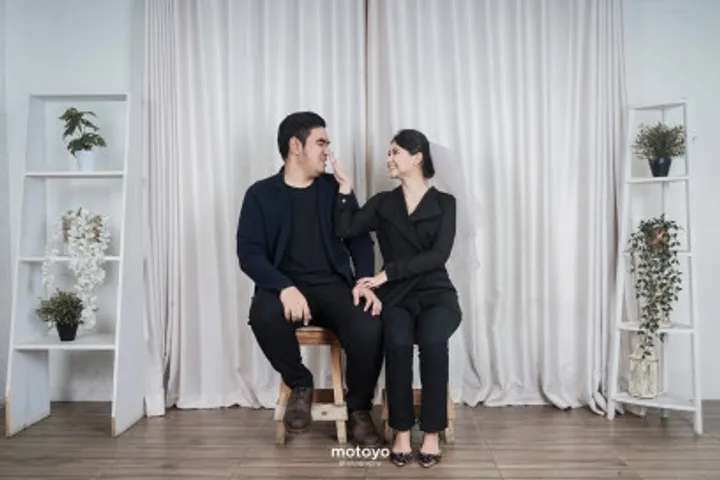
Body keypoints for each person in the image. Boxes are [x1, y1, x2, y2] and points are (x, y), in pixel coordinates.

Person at [236, 111, 384, 447]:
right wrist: (284, 287)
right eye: (321, 143)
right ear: (295, 146)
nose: (328, 151)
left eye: (327, 144)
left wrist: (363, 282)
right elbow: (249, 254)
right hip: (284, 287)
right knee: (263, 315)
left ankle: (359, 409)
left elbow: (360, 240)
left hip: (333, 286)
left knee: (369, 324)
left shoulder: (335, 189)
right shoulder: (260, 194)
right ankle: (300, 384)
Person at [331, 129, 462, 468]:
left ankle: (431, 433)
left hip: (436, 293)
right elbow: (346, 229)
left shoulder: (445, 204)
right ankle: (401, 431)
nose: (388, 159)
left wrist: (386, 274)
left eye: (395, 152)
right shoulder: (382, 203)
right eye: (388, 153)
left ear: (417, 158)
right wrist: (344, 191)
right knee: (398, 344)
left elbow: (438, 256)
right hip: (397, 298)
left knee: (433, 343)